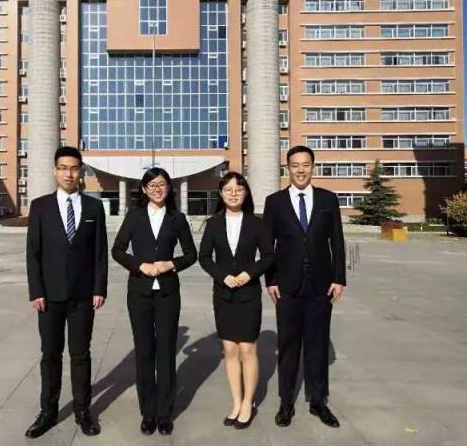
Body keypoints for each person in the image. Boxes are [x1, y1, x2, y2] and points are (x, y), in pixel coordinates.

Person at [25, 146, 108, 438]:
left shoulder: (94, 207)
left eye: (74, 168)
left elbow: (100, 253)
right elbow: (33, 253)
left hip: (83, 296)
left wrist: (99, 288)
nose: (68, 174)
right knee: (50, 354)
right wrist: (36, 290)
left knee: (80, 354)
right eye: (63, 168)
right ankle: (48, 411)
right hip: (49, 297)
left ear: (80, 171)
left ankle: (83, 411)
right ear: (55, 171)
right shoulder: (40, 207)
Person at [263, 145, 346, 429]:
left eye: (305, 165)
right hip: (287, 286)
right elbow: (268, 246)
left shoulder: (328, 199)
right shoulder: (275, 202)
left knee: (318, 345)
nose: (300, 170)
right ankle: (286, 402)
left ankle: (318, 401)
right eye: (295, 165)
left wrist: (339, 278)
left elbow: (337, 241)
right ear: (287, 168)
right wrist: (271, 280)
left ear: (313, 167)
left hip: (321, 286)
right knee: (288, 346)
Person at [111, 167, 197, 436]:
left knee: (166, 352)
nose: (157, 189)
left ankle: (164, 413)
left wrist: (171, 264)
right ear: (144, 189)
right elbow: (117, 250)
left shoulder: (177, 218)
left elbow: (191, 254)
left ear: (169, 188)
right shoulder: (134, 216)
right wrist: (139, 265)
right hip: (140, 293)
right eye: (152, 185)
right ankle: (148, 413)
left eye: (162, 184)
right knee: (145, 352)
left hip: (168, 293)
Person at [198, 172, 274, 429]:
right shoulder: (213, 224)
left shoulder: (256, 224)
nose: (233, 193)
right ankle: (236, 401)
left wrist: (249, 273)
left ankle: (248, 403)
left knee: (247, 350)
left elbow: (268, 256)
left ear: (245, 193)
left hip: (248, 295)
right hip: (223, 295)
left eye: (239, 189)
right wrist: (223, 276)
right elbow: (204, 257)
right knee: (230, 350)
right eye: (228, 189)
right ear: (221, 194)